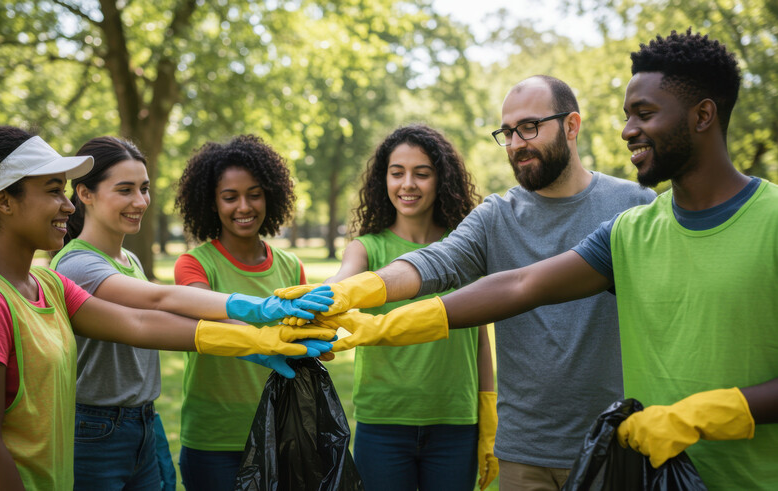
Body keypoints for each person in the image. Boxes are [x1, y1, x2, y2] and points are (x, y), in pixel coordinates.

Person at [305, 30, 778, 490]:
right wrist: (367, 306)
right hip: (615, 460)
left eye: (645, 113)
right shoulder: (626, 231)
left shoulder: (644, 210)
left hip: (663, 459)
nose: (627, 129)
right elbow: (511, 283)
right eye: (507, 132)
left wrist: (715, 412)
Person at [0, 126, 337, 490]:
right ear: (4, 201)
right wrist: (253, 311)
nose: (67, 204)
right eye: (54, 191)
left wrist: (251, 337)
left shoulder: (47, 284)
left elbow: (141, 323)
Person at [281, 76, 656, 489]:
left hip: (612, 443)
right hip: (523, 455)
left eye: (529, 127)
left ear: (571, 126)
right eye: (507, 132)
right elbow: (436, 261)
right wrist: (347, 291)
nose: (515, 143)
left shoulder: (634, 206)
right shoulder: (496, 216)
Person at [48, 136, 333, 490]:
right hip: (96, 427)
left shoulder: (130, 261)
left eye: (144, 188)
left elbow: (163, 322)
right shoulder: (77, 265)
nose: (140, 201)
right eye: (125, 190)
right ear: (85, 194)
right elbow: (157, 303)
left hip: (143, 422)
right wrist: (258, 315)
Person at [324, 124, 496, 491]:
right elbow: (341, 283)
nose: (408, 185)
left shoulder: (466, 248)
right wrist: (313, 298)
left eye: (422, 173)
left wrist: (488, 408)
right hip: (383, 422)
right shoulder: (366, 249)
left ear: (441, 179)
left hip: (456, 421)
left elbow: (480, 338)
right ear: (382, 179)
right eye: (397, 173)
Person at [172, 134, 323, 491]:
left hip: (282, 434)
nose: (244, 206)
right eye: (230, 197)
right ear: (212, 203)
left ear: (270, 195)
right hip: (214, 440)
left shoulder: (290, 266)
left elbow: (302, 345)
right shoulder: (194, 265)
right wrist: (263, 339)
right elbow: (211, 317)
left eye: (254, 194)